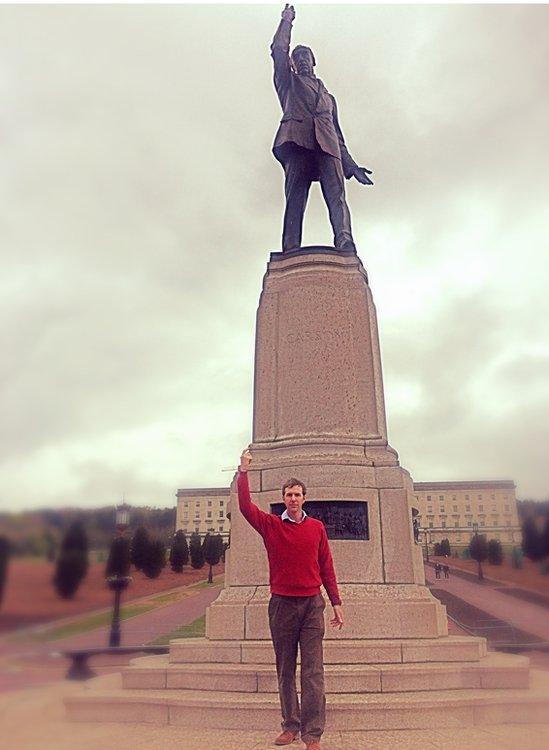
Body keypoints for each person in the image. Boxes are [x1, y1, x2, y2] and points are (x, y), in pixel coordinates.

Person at [237, 448, 343, 750]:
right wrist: (243, 472)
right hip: (282, 604)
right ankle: (290, 726)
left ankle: (313, 734)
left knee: (313, 671)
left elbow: (326, 566)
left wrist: (336, 603)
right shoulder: (271, 525)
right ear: (284, 499)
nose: (293, 499)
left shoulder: (316, 528)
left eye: (297, 494)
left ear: (304, 498)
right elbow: (245, 507)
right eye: (289, 495)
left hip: (312, 605)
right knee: (285, 669)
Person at [271, 4, 373, 252]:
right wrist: (286, 22)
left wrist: (351, 165)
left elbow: (338, 136)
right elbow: (278, 50)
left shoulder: (329, 97)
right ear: (293, 64)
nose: (302, 61)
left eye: (306, 57)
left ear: (314, 61)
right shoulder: (288, 83)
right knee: (295, 198)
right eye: (298, 58)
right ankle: (290, 247)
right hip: (298, 142)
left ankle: (344, 239)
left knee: (337, 196)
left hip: (328, 147)